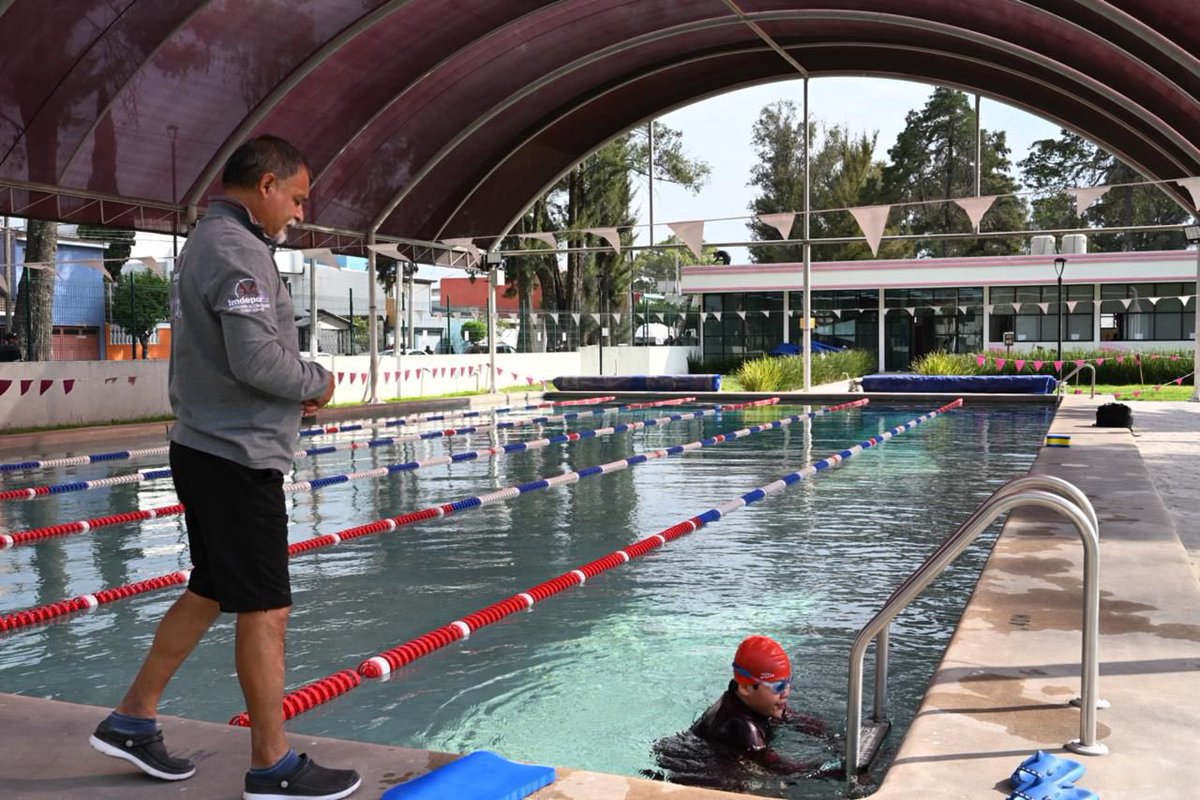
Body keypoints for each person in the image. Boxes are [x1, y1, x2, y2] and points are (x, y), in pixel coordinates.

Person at [88, 135, 360, 800]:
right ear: (265, 184)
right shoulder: (236, 249)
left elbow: (235, 364)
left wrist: (290, 400)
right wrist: (317, 381)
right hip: (235, 458)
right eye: (295, 198)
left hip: (210, 444)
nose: (297, 213)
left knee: (211, 588)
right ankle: (272, 766)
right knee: (265, 610)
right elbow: (255, 361)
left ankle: (133, 717)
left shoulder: (213, 241)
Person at [649, 636, 838, 792]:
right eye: (778, 685)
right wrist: (831, 768)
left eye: (788, 682)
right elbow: (785, 770)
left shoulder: (755, 700)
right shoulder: (742, 726)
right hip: (685, 771)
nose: (786, 692)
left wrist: (833, 737)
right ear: (746, 688)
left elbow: (797, 719)